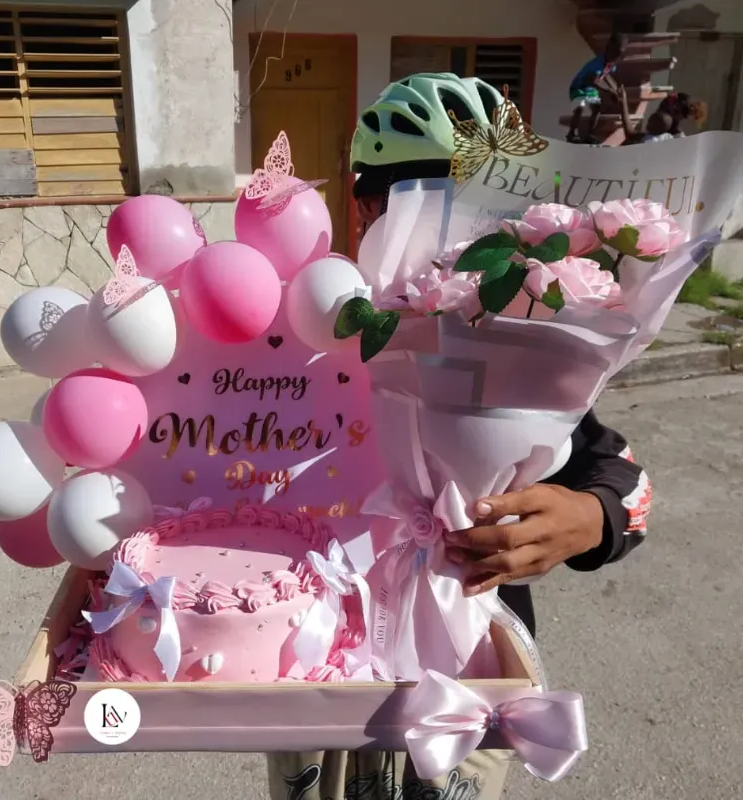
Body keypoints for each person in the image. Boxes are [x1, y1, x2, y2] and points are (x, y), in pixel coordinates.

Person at [268, 73, 651, 800]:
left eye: (483, 213)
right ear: (365, 206)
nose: (453, 240)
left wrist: (591, 516)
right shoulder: (308, 328)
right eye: (424, 207)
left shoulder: (511, 345)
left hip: (470, 663)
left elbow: (619, 470)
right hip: (310, 659)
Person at [567, 33, 627, 144]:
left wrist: (615, 89)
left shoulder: (610, 64)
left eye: (618, 54)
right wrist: (607, 91)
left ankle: (590, 133)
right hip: (579, 87)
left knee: (597, 107)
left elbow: (607, 77)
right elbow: (591, 81)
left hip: (589, 89)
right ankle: (571, 134)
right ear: (608, 48)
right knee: (580, 106)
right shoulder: (597, 64)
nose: (615, 56)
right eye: (614, 52)